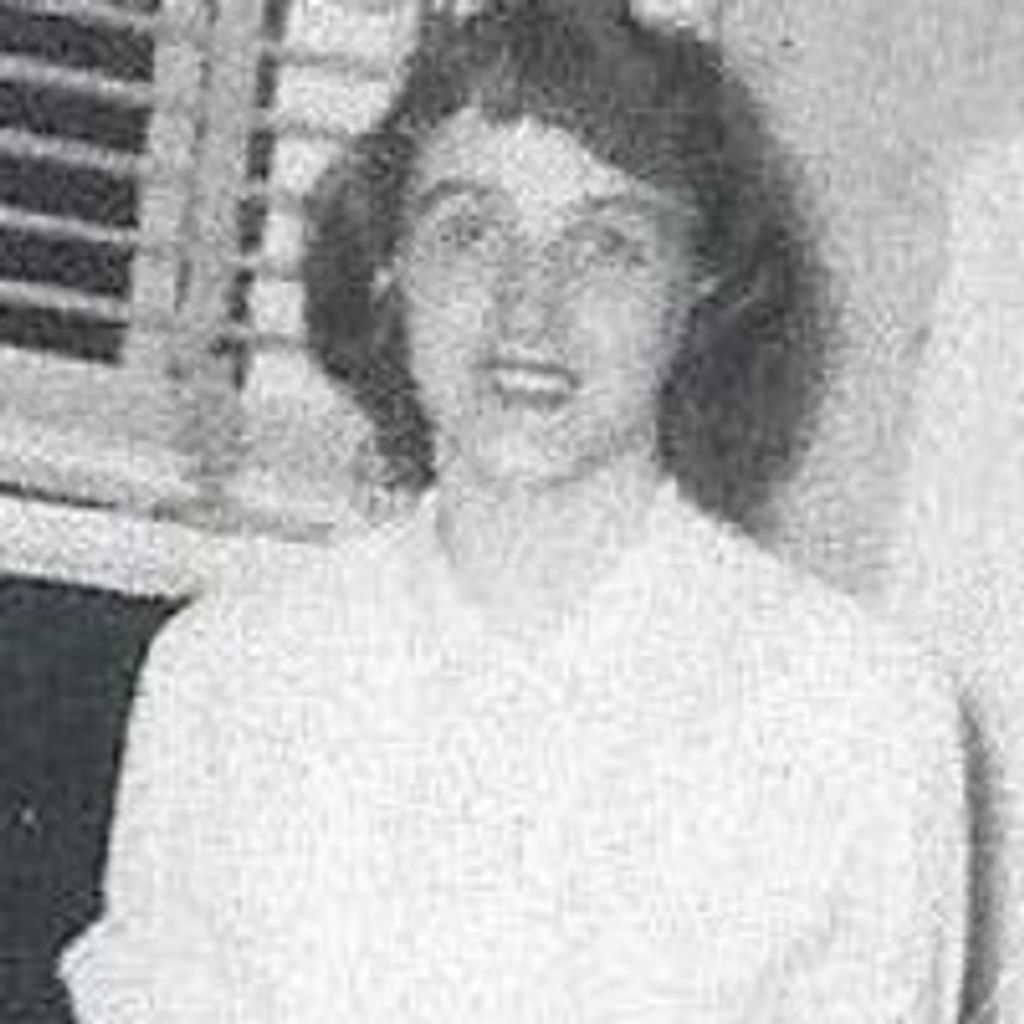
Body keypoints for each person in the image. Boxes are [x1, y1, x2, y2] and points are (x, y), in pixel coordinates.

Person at [61, 2, 968, 1020]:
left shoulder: (859, 718)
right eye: (471, 231)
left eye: (608, 243)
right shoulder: (227, 677)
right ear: (390, 266)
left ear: (701, 291)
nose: (529, 307)